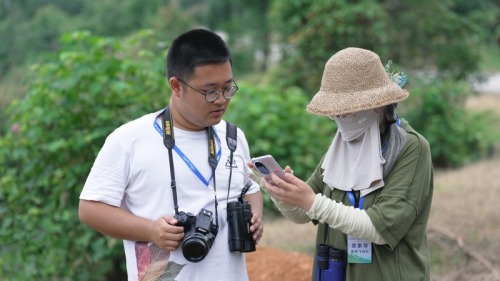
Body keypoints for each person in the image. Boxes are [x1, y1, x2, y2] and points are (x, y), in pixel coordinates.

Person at [79, 28, 264, 281]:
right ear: (176, 86)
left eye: (228, 88)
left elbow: (250, 189)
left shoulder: (233, 137)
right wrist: (152, 230)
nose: (221, 100)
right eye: (209, 91)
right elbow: (90, 209)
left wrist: (256, 215)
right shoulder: (129, 140)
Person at [249, 47, 433, 280]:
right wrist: (279, 192)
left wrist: (312, 202)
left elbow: (381, 229)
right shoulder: (339, 149)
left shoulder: (412, 148)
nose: (341, 120)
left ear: (379, 105)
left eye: (348, 112)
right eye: (336, 114)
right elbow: (302, 214)